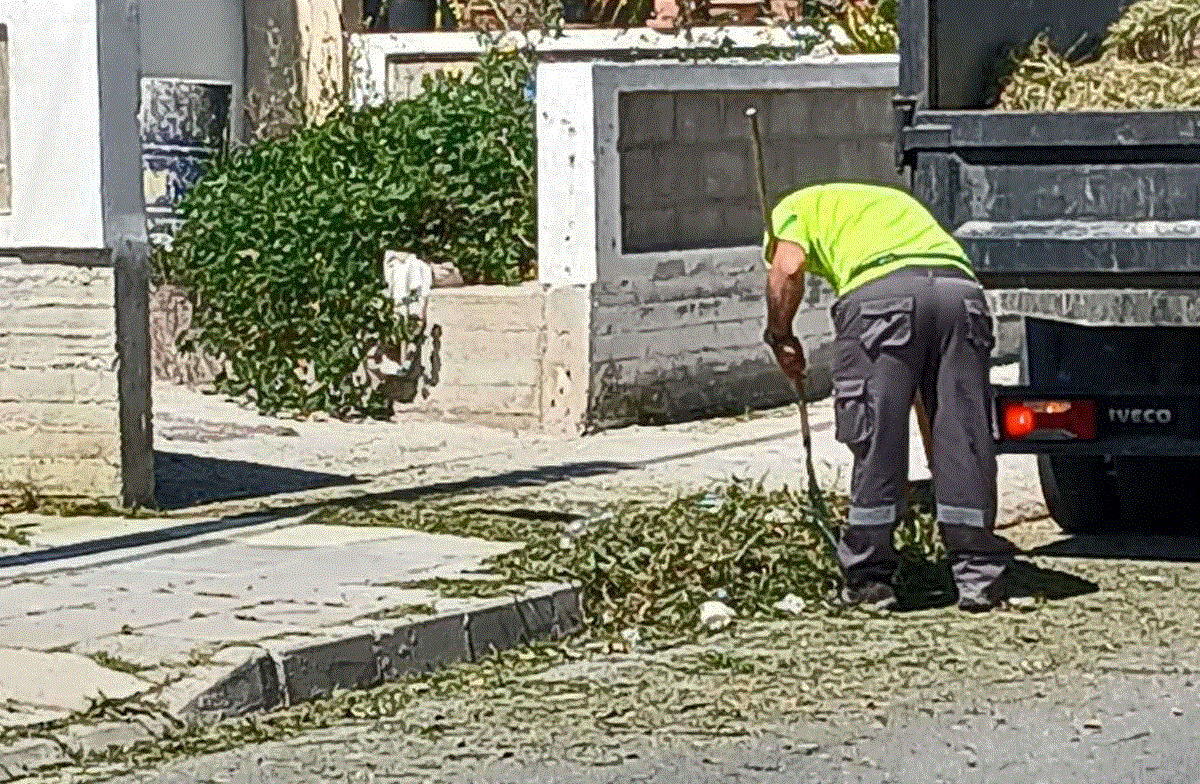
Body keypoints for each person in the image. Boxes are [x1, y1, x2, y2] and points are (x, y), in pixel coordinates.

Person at [761, 182, 1018, 613]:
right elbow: (927, 400)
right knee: (964, 434)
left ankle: (870, 579)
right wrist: (943, 460)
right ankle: (978, 577)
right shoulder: (891, 206)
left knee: (876, 432)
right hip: (960, 294)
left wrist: (781, 335)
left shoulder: (790, 210)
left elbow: (787, 268)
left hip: (881, 301)